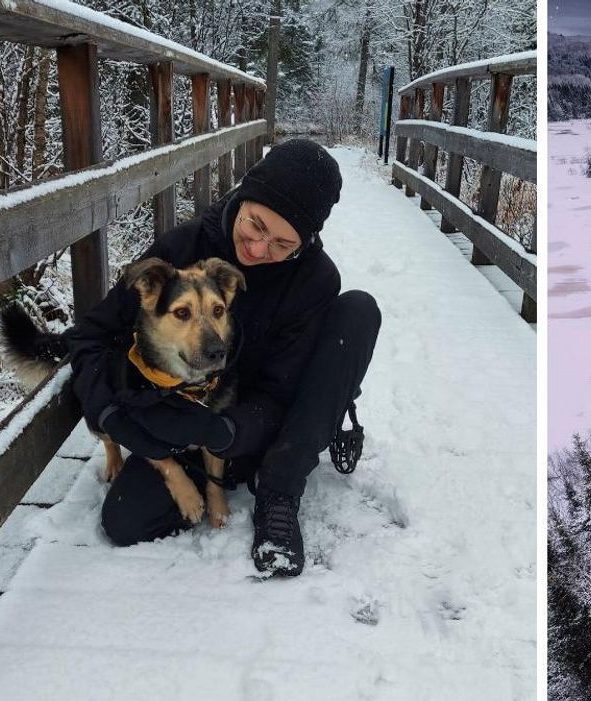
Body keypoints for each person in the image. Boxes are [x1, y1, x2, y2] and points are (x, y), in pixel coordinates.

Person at [65, 139, 381, 577]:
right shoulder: (181, 249)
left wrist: (227, 430)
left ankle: (279, 492)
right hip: (187, 418)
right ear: (244, 194)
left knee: (358, 312)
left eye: (281, 243)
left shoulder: (313, 280)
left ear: (303, 244)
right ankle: (217, 468)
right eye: (255, 226)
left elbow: (281, 390)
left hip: (263, 422)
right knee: (125, 520)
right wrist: (110, 415)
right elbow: (90, 338)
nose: (256, 248)